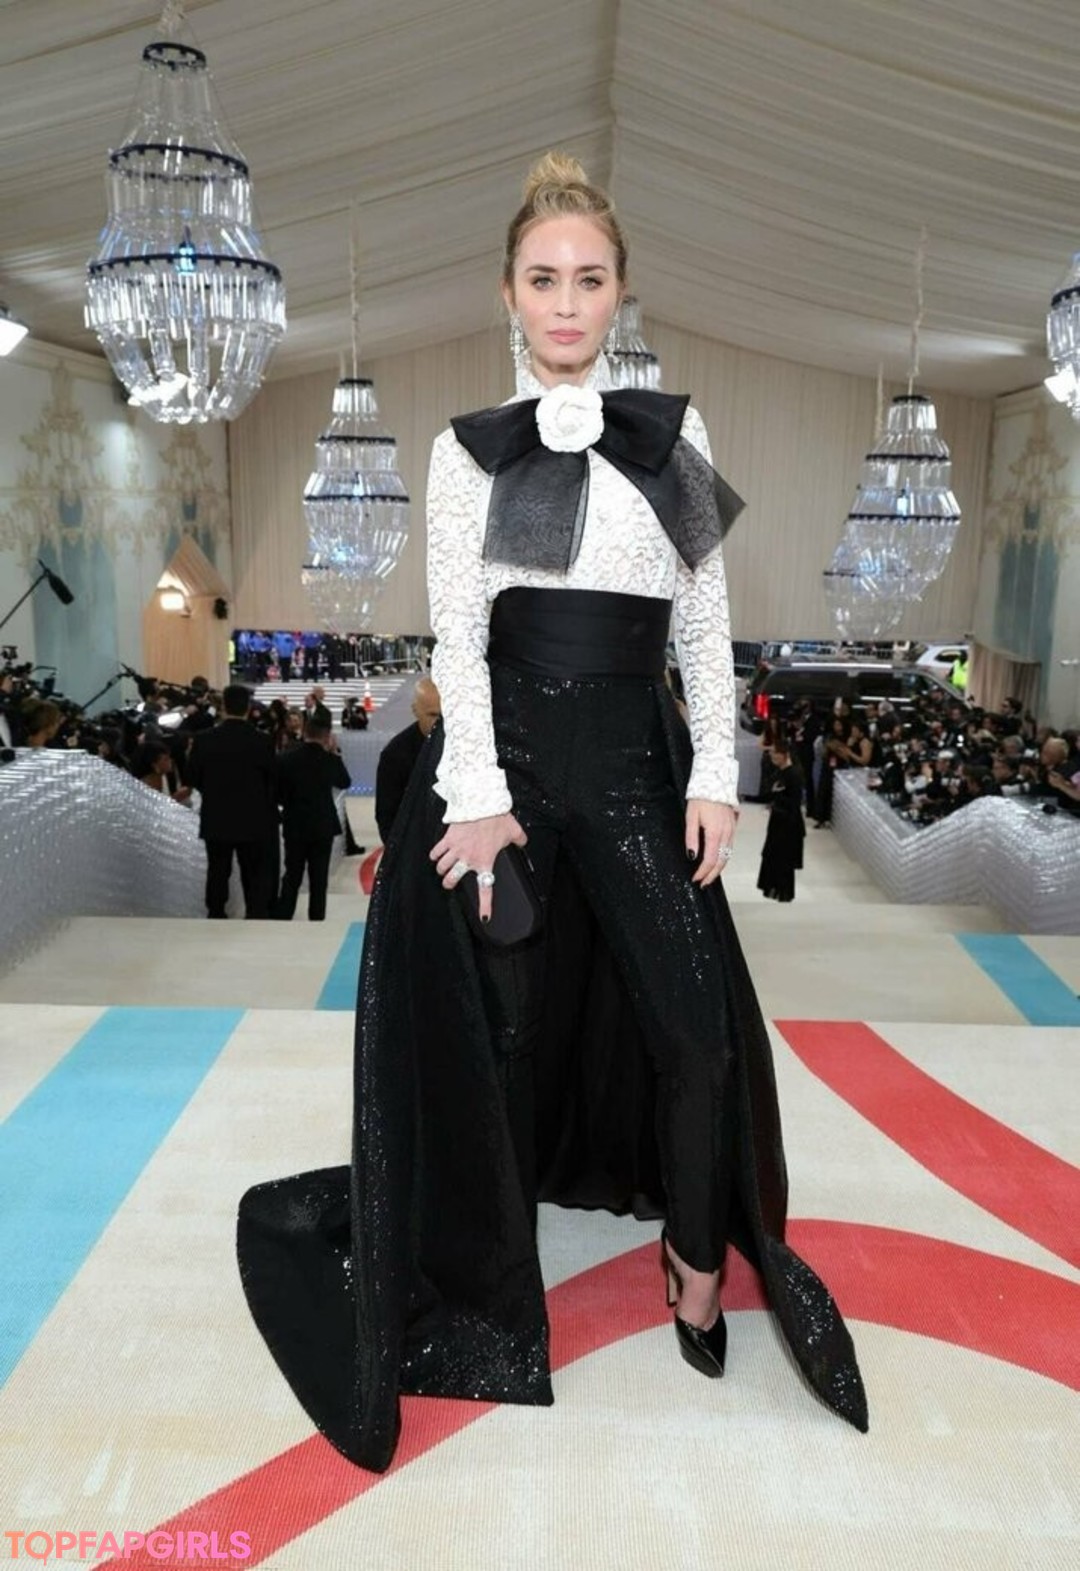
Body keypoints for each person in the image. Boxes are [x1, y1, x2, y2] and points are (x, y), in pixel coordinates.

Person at [238, 152, 866, 1472]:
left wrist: (713, 775)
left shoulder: (674, 437)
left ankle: (696, 1262)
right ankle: (486, 1258)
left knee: (695, 1031)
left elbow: (704, 620)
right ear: (508, 293)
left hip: (638, 763)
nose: (566, 302)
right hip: (508, 760)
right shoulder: (464, 450)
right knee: (503, 1033)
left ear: (620, 290)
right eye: (543, 279)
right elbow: (457, 635)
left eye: (588, 278)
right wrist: (474, 793)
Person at [186, 684, 276, 919]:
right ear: (248, 707)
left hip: (216, 815)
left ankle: (216, 913)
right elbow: (271, 779)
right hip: (253, 816)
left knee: (217, 870)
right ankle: (255, 914)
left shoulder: (204, 740)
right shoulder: (263, 741)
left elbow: (193, 777)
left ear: (223, 706)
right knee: (253, 872)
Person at [273, 708, 352, 921]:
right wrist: (335, 753)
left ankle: (284, 914)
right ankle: (316, 918)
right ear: (327, 737)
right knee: (319, 877)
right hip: (322, 825)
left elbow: (277, 793)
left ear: (305, 733)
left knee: (292, 873)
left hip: (294, 823)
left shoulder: (285, 759)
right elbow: (345, 782)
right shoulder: (329, 759)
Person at [373, 676, 442, 842]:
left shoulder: (466, 745)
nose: (442, 723)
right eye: (433, 715)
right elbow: (387, 817)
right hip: (418, 846)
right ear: (415, 711)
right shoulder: (395, 754)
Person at [757, 738, 805, 902]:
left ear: (784, 754)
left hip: (788, 825)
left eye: (775, 753)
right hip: (779, 821)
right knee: (774, 857)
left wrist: (777, 798)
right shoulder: (780, 772)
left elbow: (794, 802)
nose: (772, 756)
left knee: (784, 860)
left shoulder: (794, 774)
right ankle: (776, 890)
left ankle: (784, 893)